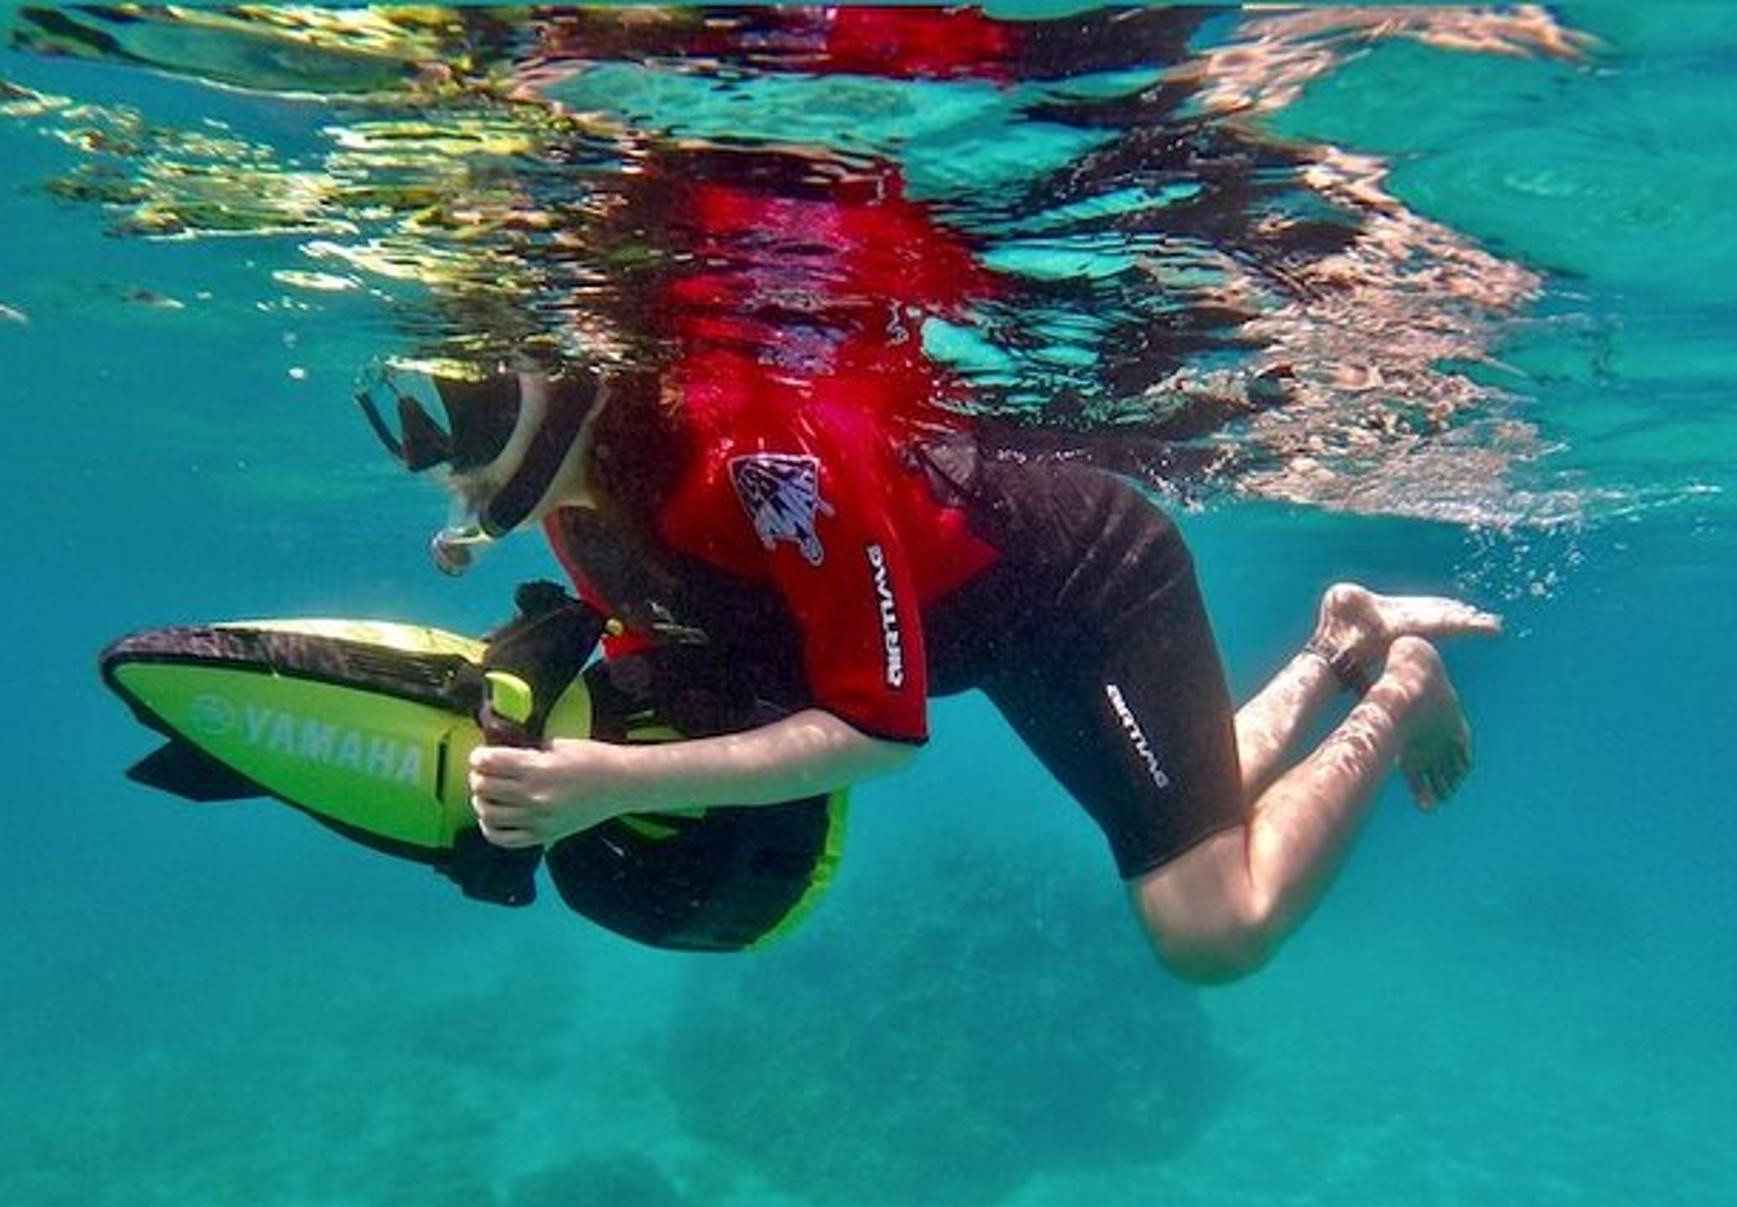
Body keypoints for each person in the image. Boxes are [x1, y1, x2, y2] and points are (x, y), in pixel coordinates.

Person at [358, 150, 1499, 986]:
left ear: (560, 377)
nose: (437, 450)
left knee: (1210, 929)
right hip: (989, 630)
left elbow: (880, 731)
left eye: (460, 406)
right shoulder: (584, 517)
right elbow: (673, 674)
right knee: (1195, 814)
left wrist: (610, 786)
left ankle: (1399, 687)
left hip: (1090, 588)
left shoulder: (763, 451)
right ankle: (1335, 646)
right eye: (410, 412)